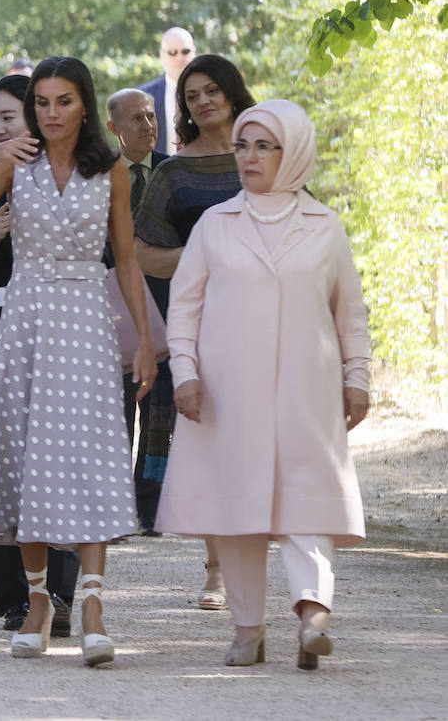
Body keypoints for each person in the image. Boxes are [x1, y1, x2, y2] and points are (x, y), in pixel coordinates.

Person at [0, 56, 157, 666]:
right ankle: (38, 602)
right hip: (27, 318)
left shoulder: (112, 167)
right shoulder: (19, 161)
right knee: (26, 457)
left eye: (63, 101)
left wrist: (144, 339)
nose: (51, 113)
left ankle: (90, 603)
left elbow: (125, 258)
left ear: (84, 105)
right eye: (42, 102)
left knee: (88, 456)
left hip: (89, 319)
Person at [157, 99, 370, 670]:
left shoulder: (326, 227)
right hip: (229, 394)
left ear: (293, 152)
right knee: (239, 510)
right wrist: (187, 373)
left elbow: (350, 313)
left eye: (264, 146)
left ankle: (313, 613)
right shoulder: (214, 225)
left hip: (310, 391)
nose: (249, 157)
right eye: (243, 146)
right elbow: (185, 308)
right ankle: (247, 630)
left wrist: (358, 379)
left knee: (308, 503)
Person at [0, 75, 79, 635]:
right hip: (0, 338)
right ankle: (15, 601)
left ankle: (64, 595)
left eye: (10, 118)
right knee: (4, 465)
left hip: (61, 339)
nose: (0, 129)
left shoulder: (72, 175)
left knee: (60, 466)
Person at [133, 53, 255, 610]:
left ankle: (262, 556)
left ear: (233, 93)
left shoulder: (265, 154)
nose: (202, 101)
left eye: (212, 90)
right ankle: (215, 566)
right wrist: (205, 252)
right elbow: (141, 254)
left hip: (269, 318)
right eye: (191, 95)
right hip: (203, 322)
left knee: (260, 441)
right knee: (211, 439)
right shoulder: (172, 174)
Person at [104, 87, 169, 534]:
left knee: (163, 415)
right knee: (119, 411)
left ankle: (153, 504)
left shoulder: (174, 172)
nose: (148, 126)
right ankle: (118, 506)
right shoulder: (100, 176)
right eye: (136, 119)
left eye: (151, 117)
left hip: (170, 309)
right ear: (113, 129)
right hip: (117, 310)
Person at [134, 26, 195, 154]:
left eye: (185, 51)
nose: (180, 58)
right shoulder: (141, 97)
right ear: (162, 55)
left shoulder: (209, 96)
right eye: (172, 52)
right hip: (158, 171)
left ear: (194, 52)